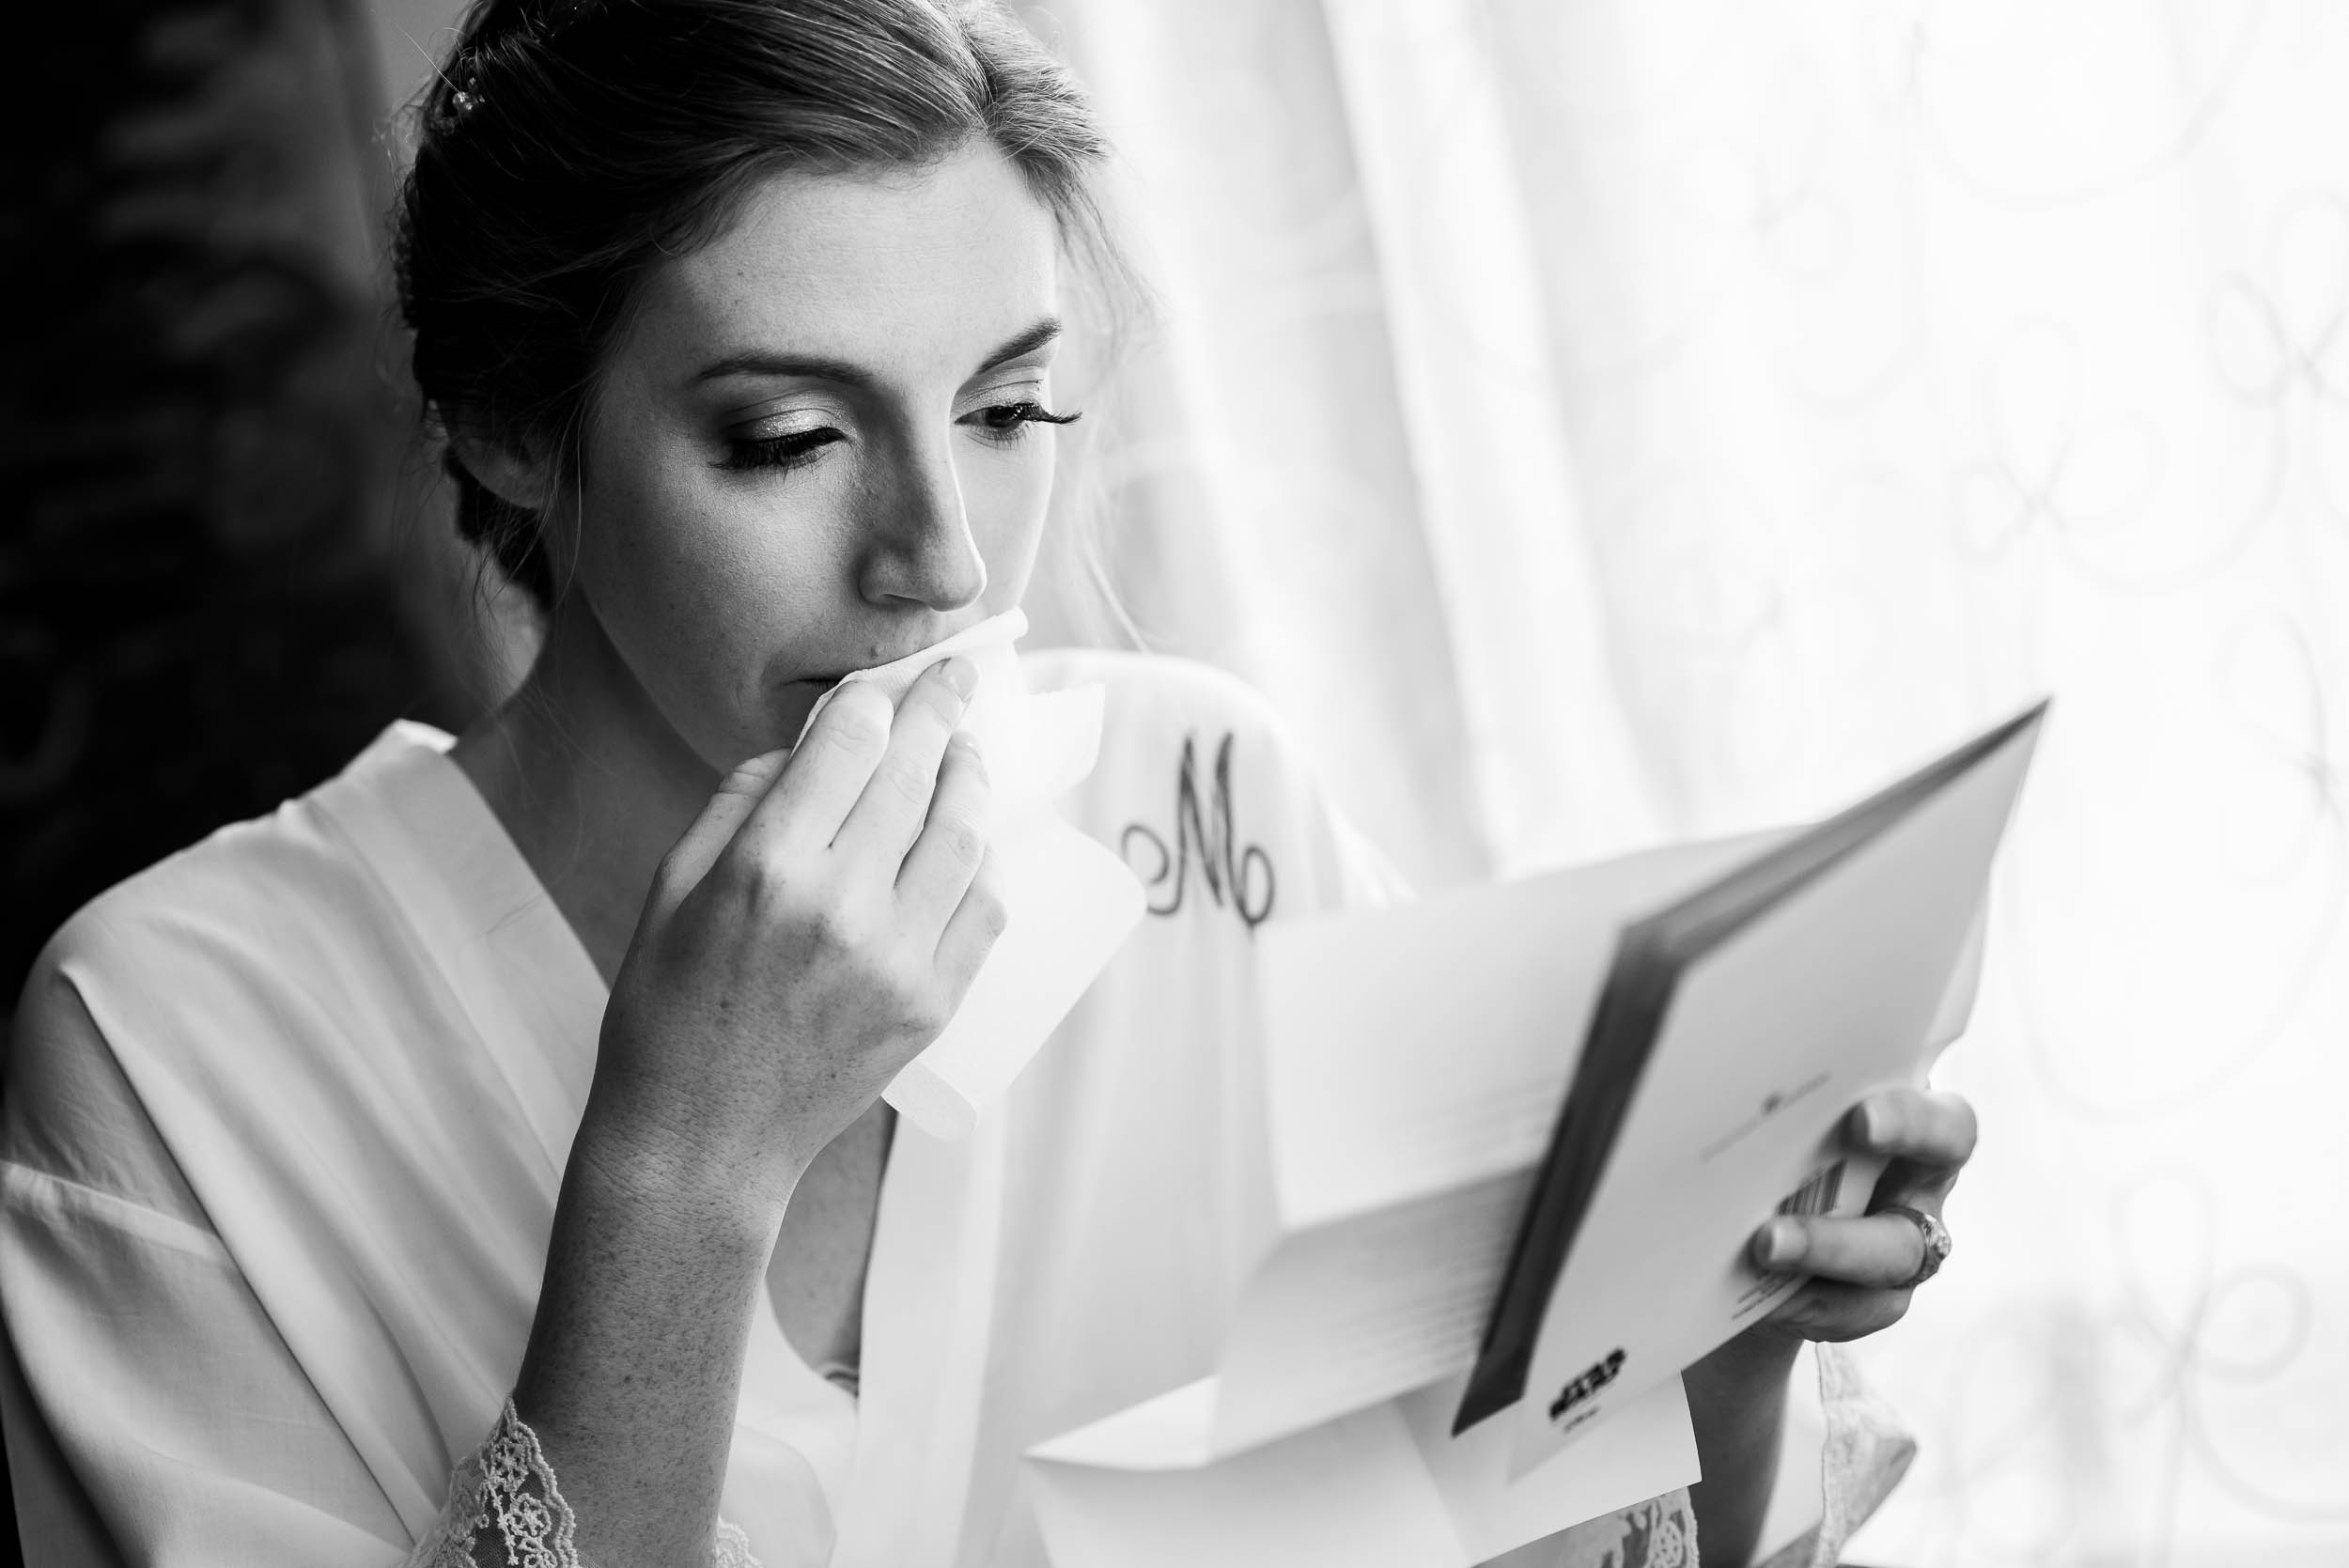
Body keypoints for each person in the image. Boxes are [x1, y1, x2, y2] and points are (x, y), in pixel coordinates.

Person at [0, 1, 1977, 1564]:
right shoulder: (170, 1037)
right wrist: (682, 1168)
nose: (942, 558)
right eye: (786, 436)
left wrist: (1714, 1316)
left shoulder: (1205, 799)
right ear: (516, 425)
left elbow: (1565, 1530)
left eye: (1010, 407)